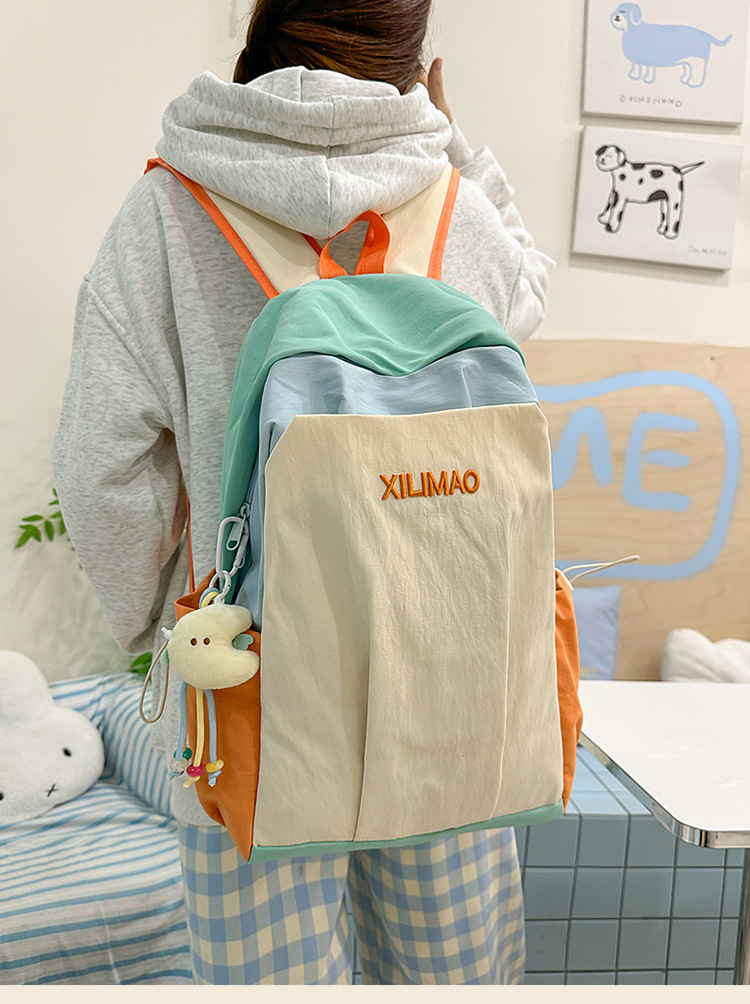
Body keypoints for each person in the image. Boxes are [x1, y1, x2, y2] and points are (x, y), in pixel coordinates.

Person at [53, 0, 554, 985]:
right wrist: (454, 139)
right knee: (454, 971)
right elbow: (527, 297)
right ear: (410, 47)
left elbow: (99, 466)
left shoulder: (166, 211)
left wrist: (161, 619)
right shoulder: (452, 201)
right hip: (452, 668)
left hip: (248, 678)